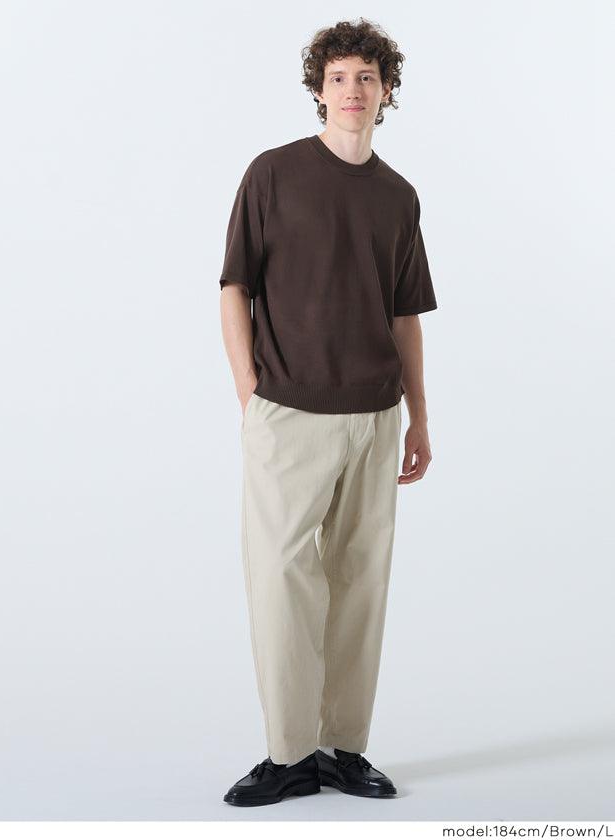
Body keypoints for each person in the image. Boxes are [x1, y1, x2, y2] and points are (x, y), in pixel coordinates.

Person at [218, 18, 438, 807]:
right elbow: (234, 286)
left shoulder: (398, 197)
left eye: (366, 78)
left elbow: (405, 316)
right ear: (319, 89)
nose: (352, 91)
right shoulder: (273, 174)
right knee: (281, 581)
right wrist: (250, 394)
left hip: (374, 418)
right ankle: (288, 755)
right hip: (287, 413)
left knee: (360, 582)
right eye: (339, 77)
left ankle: (344, 749)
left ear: (386, 92)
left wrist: (418, 418)